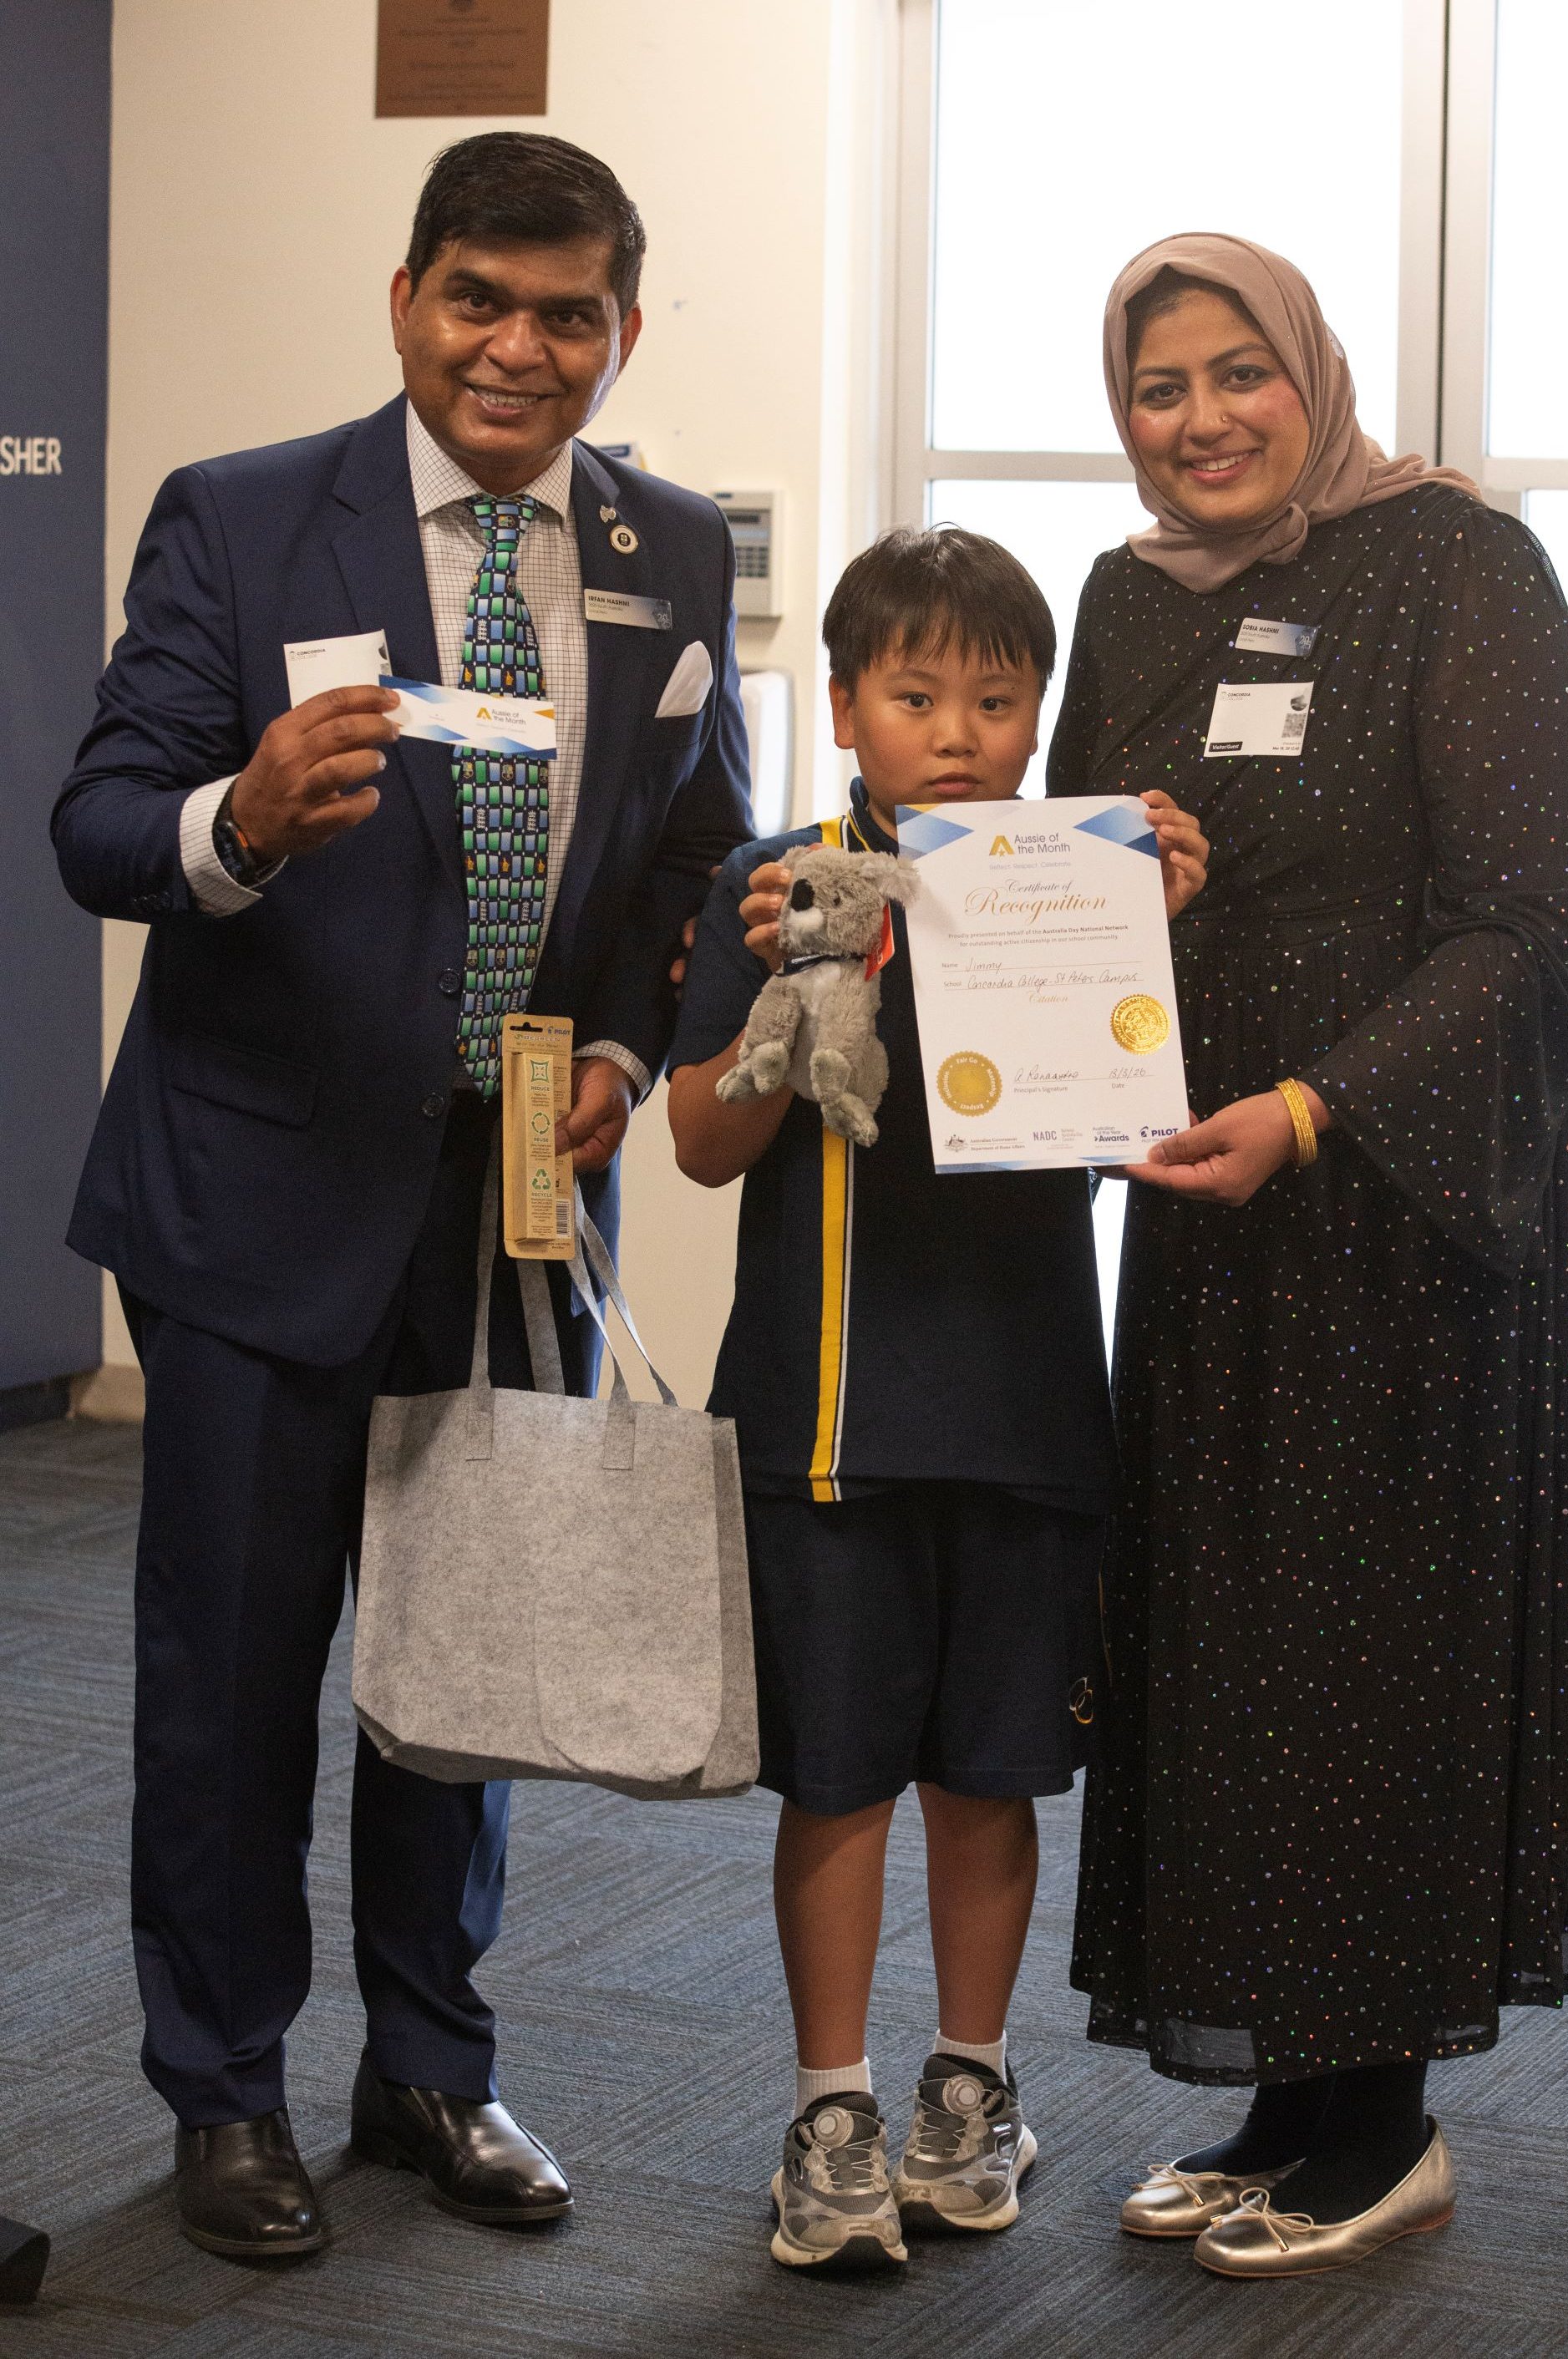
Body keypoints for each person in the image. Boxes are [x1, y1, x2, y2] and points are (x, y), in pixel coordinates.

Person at [51, 132, 752, 2258]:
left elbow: (690, 854)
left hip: (513, 1211)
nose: (518, 348)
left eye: (567, 314)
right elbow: (100, 820)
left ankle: (432, 2064)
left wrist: (624, 1040)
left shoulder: (667, 548)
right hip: (255, 1203)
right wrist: (244, 817)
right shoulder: (247, 514)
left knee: (473, 1657)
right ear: (406, 300)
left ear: (622, 329)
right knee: (236, 1673)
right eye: (480, 299)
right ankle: (227, 2088)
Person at [1049, 234, 1568, 2279]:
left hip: (1404, 1201)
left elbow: (1531, 916)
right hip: (1205, 1202)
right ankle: (1280, 2094)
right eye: (1158, 386)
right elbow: (1073, 876)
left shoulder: (1458, 563)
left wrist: (1313, 1106)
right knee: (1230, 1640)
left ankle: (1383, 2120)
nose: (1202, 418)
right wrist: (1134, 881)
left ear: (1310, 373)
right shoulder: (1125, 595)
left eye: (1241, 371)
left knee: (1372, 1644)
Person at [668, 526, 1208, 2273]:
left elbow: (1137, 1131)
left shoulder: (1078, 881)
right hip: (826, 1419)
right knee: (834, 1780)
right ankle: (829, 2109)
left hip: (1029, 1418)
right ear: (844, 707)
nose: (957, 734)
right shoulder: (771, 878)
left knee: (993, 1779)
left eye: (994, 698)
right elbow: (698, 1144)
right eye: (916, 696)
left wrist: (1156, 928)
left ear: (1038, 713)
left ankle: (970, 2085)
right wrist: (793, 983)